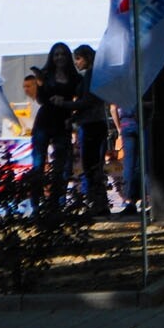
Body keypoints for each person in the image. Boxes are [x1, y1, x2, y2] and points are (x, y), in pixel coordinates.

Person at [31, 42, 81, 215]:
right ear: (51, 58)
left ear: (68, 57)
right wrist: (40, 82)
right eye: (56, 54)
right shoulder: (45, 74)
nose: (59, 57)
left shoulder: (75, 78)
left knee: (62, 165)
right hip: (44, 121)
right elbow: (40, 99)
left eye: (62, 54)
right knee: (38, 163)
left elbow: (82, 102)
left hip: (63, 122)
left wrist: (71, 113)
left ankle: (57, 203)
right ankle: (35, 205)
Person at [70, 45, 111, 217]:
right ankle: (99, 203)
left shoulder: (91, 75)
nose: (77, 63)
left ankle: (97, 203)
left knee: (91, 166)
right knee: (95, 166)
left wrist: (68, 107)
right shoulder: (96, 74)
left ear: (87, 57)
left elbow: (88, 101)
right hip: (97, 123)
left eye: (78, 59)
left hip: (91, 123)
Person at [109, 102, 141, 215]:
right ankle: (146, 197)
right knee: (143, 162)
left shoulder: (120, 86)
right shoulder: (143, 85)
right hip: (140, 123)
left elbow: (113, 109)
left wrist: (119, 129)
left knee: (129, 164)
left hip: (125, 125)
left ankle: (129, 199)